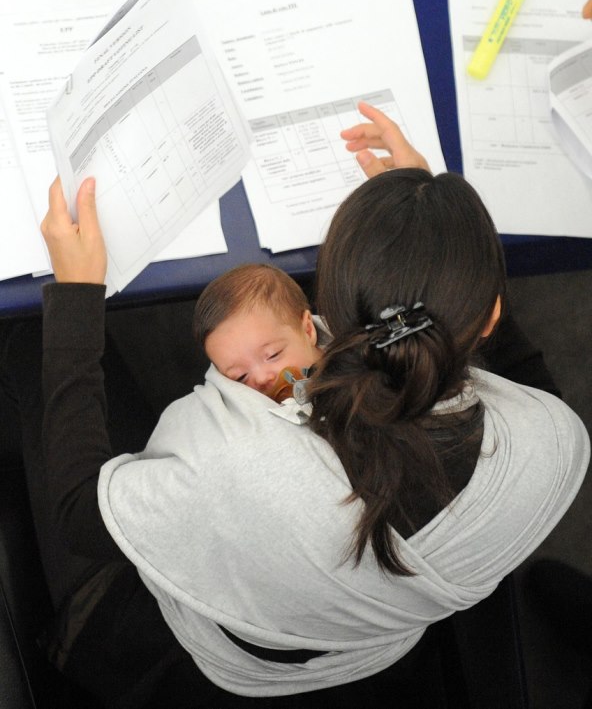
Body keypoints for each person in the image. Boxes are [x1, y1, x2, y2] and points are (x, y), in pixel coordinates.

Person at [1, 101, 589, 709]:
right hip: (366, 643)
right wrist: (434, 245)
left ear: (323, 321)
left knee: (27, 339)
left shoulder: (231, 470)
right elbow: (526, 381)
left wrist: (74, 298)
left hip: (196, 652)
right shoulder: (551, 440)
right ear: (491, 312)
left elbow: (80, 514)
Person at [194, 263, 324, 403]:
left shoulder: (347, 369)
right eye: (241, 377)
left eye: (273, 354)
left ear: (308, 330)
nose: (261, 379)